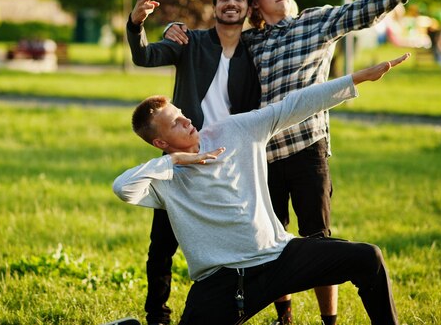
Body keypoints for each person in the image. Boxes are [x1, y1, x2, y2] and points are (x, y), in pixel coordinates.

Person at [165, 0, 441, 325]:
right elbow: (212, 37)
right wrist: (172, 27)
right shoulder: (252, 41)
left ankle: (328, 319)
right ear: (255, 7)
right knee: (273, 239)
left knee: (317, 235)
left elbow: (364, 9)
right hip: (262, 155)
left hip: (306, 149)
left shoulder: (315, 21)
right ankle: (285, 316)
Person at [114, 54, 410, 325]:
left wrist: (356, 78)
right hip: (224, 282)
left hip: (279, 256)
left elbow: (293, 105)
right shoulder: (165, 179)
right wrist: (178, 160)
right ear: (161, 143)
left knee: (368, 258)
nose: (187, 120)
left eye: (181, 114)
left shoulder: (233, 130)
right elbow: (123, 188)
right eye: (176, 123)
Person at [127, 0, 261, 325]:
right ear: (214, 4)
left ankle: (241, 310)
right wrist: (136, 22)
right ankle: (157, 314)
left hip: (229, 160)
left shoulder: (255, 49)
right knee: (162, 245)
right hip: (182, 157)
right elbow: (144, 56)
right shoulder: (190, 41)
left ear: (248, 6)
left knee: (238, 241)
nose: (231, 3)